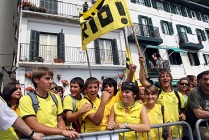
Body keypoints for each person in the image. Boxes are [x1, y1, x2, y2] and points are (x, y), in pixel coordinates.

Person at [19, 67, 79, 139]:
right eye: (47, 78)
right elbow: (35, 126)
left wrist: (65, 131)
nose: (50, 81)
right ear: (36, 80)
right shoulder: (26, 99)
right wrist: (61, 131)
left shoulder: (56, 98)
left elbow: (60, 120)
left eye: (51, 78)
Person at [139, 56, 186, 139]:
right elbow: (143, 81)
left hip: (176, 131)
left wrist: (183, 114)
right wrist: (141, 64)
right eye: (162, 76)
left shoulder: (178, 95)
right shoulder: (156, 92)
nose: (165, 78)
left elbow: (183, 110)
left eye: (167, 76)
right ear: (159, 80)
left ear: (171, 79)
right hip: (160, 133)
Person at [186, 70, 209, 140]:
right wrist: (202, 112)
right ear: (199, 80)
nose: (208, 82)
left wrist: (205, 112)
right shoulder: (194, 93)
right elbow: (199, 114)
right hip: (198, 126)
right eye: (205, 79)